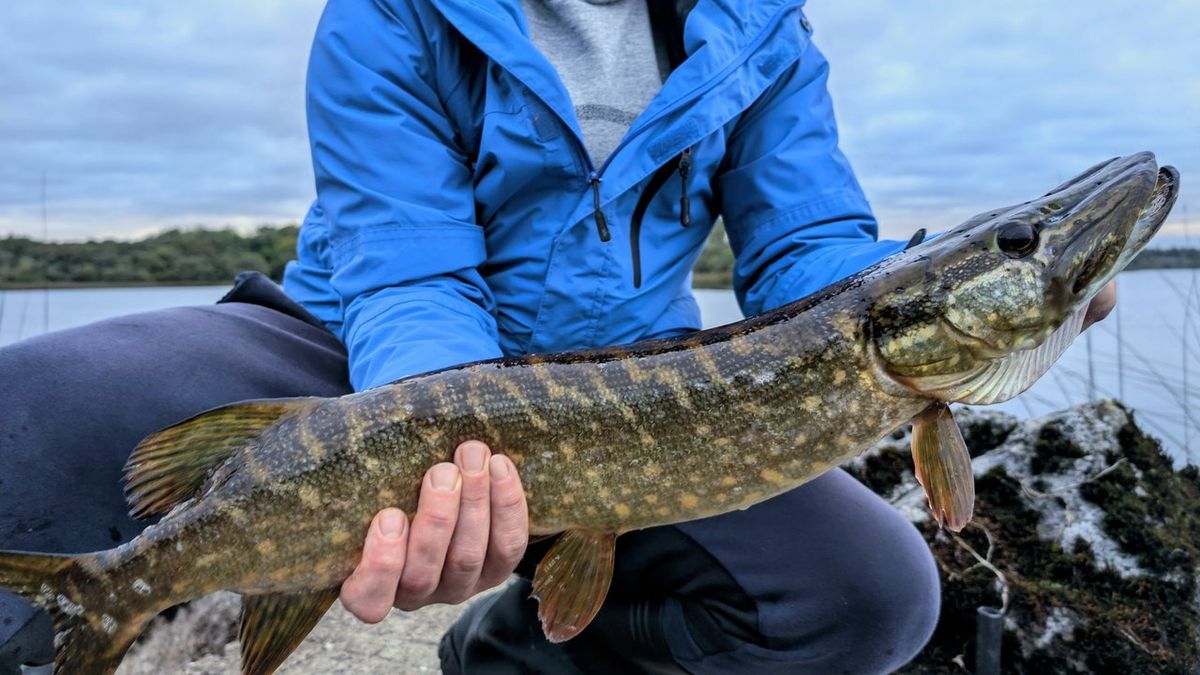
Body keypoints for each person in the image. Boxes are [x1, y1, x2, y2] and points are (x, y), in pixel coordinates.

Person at [0, 1, 1117, 673]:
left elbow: (811, 250)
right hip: (355, 352)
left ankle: (511, 659)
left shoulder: (760, 23)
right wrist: (448, 466)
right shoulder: (391, 9)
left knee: (874, 596)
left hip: (632, 390)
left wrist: (983, 304)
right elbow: (409, 270)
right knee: (30, 407)